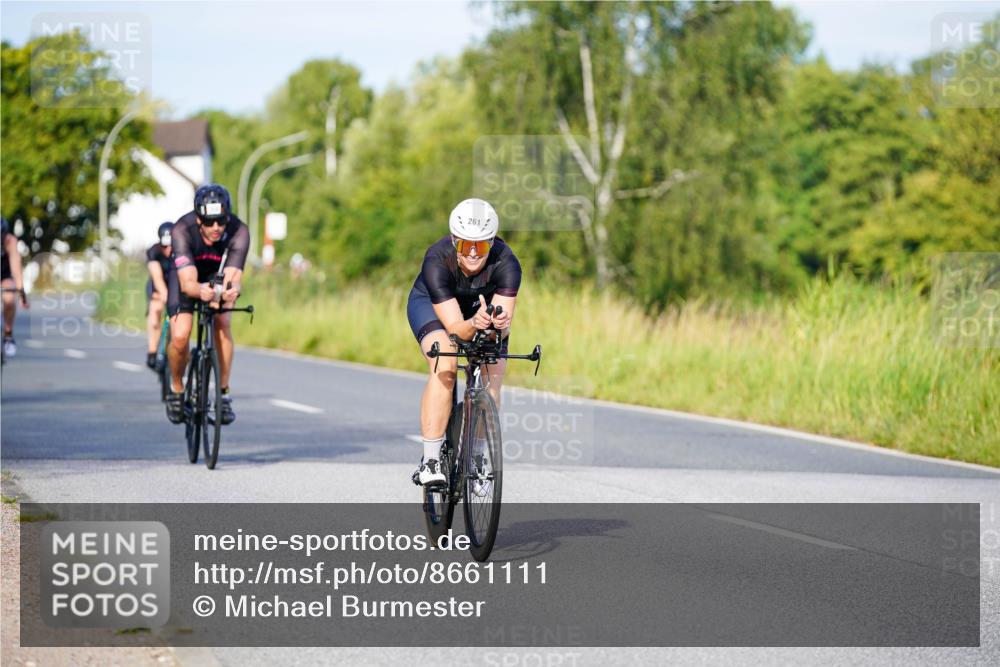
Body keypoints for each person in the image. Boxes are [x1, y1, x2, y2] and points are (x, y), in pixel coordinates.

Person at [407, 198, 521, 486]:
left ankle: (477, 456)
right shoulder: (437, 258)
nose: (472, 253)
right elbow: (456, 329)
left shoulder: (507, 263)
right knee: (445, 362)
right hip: (434, 308)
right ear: (454, 240)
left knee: (492, 369)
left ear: (492, 243)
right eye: (464, 244)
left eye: (481, 246)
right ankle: (431, 459)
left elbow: (502, 328)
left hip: (479, 312)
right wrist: (473, 324)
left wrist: (496, 329)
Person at [164, 184, 249, 426]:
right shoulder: (182, 229)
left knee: (222, 321)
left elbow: (233, 277)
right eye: (209, 222)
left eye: (221, 221)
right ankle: (177, 387)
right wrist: (201, 292)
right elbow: (188, 283)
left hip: (217, 276)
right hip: (185, 278)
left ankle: (223, 393)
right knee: (180, 336)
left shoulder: (238, 231)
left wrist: (230, 291)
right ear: (199, 219)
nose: (216, 228)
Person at [145, 222, 174, 369]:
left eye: (171, 245)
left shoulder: (181, 250)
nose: (168, 249)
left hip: (174, 285)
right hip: (157, 286)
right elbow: (157, 278)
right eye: (165, 246)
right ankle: (152, 351)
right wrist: (164, 293)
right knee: (155, 311)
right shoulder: (154, 252)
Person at [1, 217, 28, 357]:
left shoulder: (10, 241)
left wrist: (21, 292)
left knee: (9, 298)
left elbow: (16, 268)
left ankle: (8, 334)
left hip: (4, 276)